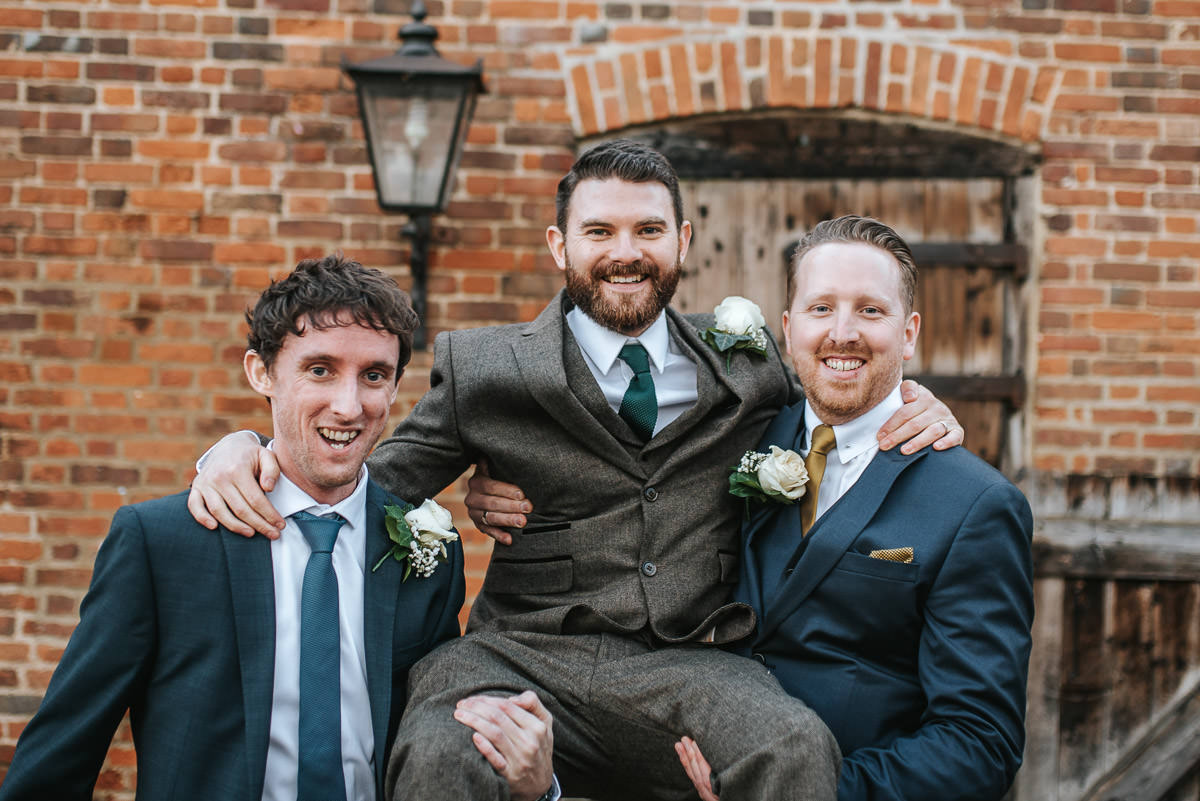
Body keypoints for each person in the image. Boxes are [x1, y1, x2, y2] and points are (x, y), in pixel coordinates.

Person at [187, 143, 963, 800]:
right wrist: (243, 447)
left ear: (683, 240)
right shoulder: (487, 369)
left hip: (690, 664)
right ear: (561, 246)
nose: (626, 251)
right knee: (443, 750)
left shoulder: (747, 361)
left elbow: (834, 397)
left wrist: (913, 397)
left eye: (648, 229)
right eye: (600, 230)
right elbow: (365, 479)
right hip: (518, 653)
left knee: (795, 743)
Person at [0, 255, 554, 801]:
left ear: (394, 387)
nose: (348, 406)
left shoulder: (430, 552)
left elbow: (437, 738)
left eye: (373, 376)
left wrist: (536, 790)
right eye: (320, 370)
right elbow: (61, 753)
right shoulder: (161, 542)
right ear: (261, 373)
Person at [673, 216, 1035, 801]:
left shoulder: (976, 505)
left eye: (870, 310)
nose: (842, 334)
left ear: (909, 333)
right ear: (788, 328)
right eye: (821, 308)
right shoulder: (730, 439)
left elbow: (980, 741)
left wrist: (807, 788)